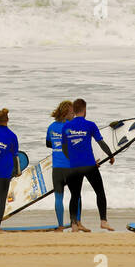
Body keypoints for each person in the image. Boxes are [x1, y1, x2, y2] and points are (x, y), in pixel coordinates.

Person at [61, 98, 114, 231]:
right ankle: (103, 221)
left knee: (75, 196)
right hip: (89, 165)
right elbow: (100, 142)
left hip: (74, 167)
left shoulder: (66, 126)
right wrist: (110, 155)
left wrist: (72, 158)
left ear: (73, 110)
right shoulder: (90, 125)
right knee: (100, 192)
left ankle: (73, 224)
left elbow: (64, 148)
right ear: (84, 110)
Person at [46, 100, 80, 230]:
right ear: (66, 113)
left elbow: (48, 144)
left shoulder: (51, 127)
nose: (73, 115)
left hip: (57, 168)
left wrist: (58, 145)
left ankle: (60, 225)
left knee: (58, 197)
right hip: (71, 167)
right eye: (72, 112)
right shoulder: (71, 127)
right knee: (76, 196)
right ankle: (76, 223)